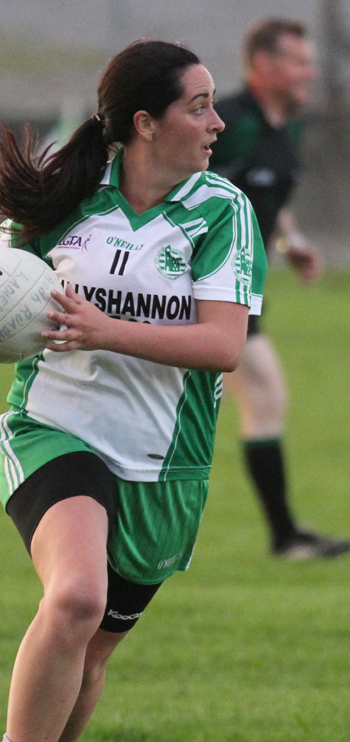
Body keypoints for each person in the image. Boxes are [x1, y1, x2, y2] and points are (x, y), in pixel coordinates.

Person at [0, 39, 266, 742]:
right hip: (54, 427)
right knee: (76, 594)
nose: (217, 121)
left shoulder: (220, 211)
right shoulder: (66, 191)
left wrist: (104, 327)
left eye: (213, 102)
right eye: (199, 105)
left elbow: (223, 345)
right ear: (146, 123)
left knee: (91, 651)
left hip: (163, 463)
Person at [210, 18, 349, 560]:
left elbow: (270, 201)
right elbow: (180, 185)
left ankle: (286, 535)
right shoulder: (230, 123)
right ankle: (285, 537)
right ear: (263, 68)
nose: (310, 72)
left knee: (264, 399)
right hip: (204, 288)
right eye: (298, 62)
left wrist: (292, 244)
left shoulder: (285, 127)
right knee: (263, 397)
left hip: (243, 288)